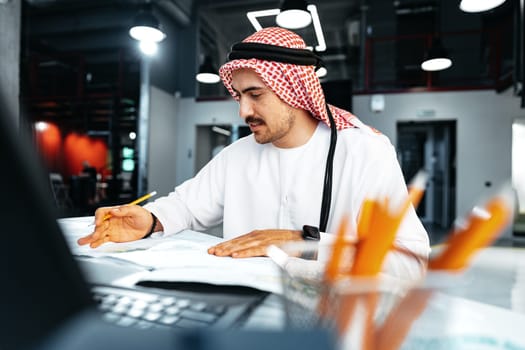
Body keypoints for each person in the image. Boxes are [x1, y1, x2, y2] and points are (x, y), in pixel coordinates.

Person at [78, 27, 430, 280]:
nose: (243, 112)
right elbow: (186, 206)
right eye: (239, 96)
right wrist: (151, 220)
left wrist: (304, 243)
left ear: (292, 89)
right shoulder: (238, 155)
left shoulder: (364, 151)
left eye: (256, 95)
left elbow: (409, 259)